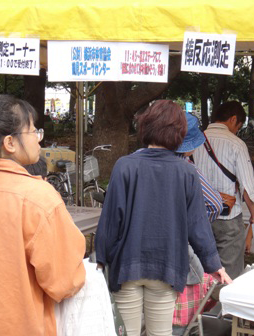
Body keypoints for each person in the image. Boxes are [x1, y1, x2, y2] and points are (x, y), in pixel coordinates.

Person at [94, 100, 231, 336]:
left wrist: (100, 260)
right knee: (161, 333)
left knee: (127, 333)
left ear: (145, 127)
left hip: (127, 267)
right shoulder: (186, 171)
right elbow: (197, 225)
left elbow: (110, 222)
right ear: (179, 133)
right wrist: (214, 265)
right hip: (167, 266)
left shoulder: (124, 166)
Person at [0, 95, 86, 335]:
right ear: (10, 143)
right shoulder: (37, 198)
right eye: (33, 132)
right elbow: (64, 282)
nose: (40, 140)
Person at [194, 101, 254, 279]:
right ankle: (223, 304)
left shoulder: (195, 141)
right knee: (230, 271)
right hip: (228, 217)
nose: (237, 131)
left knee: (201, 268)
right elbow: (248, 186)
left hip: (199, 215)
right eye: (238, 126)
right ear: (233, 119)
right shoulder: (236, 144)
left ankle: (204, 304)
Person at [173, 112, 226, 335]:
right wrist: (194, 223)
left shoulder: (134, 163)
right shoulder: (187, 169)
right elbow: (214, 203)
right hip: (180, 252)